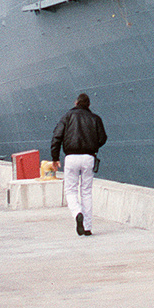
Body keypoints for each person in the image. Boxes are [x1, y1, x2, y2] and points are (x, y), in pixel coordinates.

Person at [49, 92, 107, 238]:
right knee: (86, 191)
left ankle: (77, 213)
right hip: (88, 157)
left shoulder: (67, 117)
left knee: (70, 190)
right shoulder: (95, 118)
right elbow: (102, 138)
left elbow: (56, 137)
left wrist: (55, 158)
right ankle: (87, 227)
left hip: (71, 157)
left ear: (76, 103)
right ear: (88, 105)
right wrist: (93, 146)